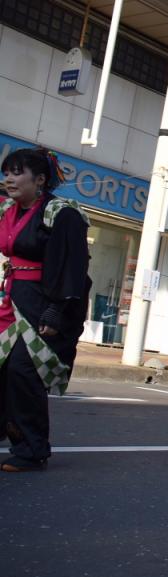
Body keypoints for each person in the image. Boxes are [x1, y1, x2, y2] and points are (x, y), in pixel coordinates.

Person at [0, 147, 90, 472]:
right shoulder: (6, 208)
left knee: (23, 371)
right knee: (2, 368)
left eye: (16, 172)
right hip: (11, 297)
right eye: (6, 172)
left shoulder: (62, 213)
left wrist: (56, 311)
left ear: (39, 179)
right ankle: (12, 434)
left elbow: (74, 268)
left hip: (43, 301)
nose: (8, 178)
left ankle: (33, 449)